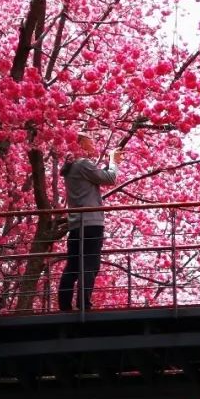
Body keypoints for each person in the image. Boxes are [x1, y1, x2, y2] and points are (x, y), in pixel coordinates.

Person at [58, 133, 121, 311]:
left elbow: (97, 175)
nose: (93, 144)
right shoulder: (82, 164)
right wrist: (113, 161)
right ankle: (84, 303)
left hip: (76, 224)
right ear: (81, 144)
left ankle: (65, 305)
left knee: (73, 265)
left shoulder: (70, 168)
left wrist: (108, 165)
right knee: (91, 264)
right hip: (91, 223)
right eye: (90, 141)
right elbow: (110, 178)